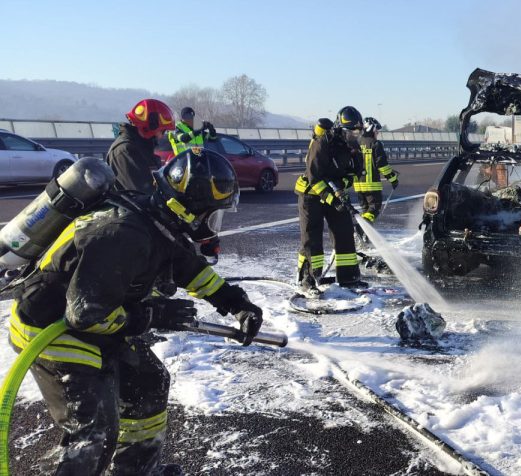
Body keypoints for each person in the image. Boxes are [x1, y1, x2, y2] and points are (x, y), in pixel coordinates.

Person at [8, 148, 263, 475]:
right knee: (93, 431)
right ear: (189, 209)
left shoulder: (156, 220)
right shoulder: (125, 234)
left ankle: (135, 468)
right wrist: (152, 316)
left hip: (99, 319)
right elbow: (83, 314)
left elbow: (188, 267)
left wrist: (235, 302)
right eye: (212, 213)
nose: (212, 223)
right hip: (53, 330)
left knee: (148, 381)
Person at [294, 106, 367, 294]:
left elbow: (353, 174)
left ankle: (349, 278)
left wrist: (340, 187)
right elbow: (314, 177)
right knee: (312, 238)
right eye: (351, 132)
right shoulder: (322, 143)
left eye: (357, 132)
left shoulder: (352, 148)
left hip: (335, 194)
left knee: (344, 231)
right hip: (311, 194)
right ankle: (308, 279)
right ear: (341, 129)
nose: (355, 136)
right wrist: (331, 198)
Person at [106, 99, 176, 195]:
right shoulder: (124, 151)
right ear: (150, 126)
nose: (161, 136)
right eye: (162, 131)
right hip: (131, 209)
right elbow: (142, 193)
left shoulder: (143, 147)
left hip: (151, 207)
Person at [353, 117, 398, 223]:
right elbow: (383, 166)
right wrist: (393, 179)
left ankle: (364, 236)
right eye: (376, 130)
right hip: (371, 185)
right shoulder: (376, 144)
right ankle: (361, 229)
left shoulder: (357, 143)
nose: (377, 133)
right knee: (374, 209)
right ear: (371, 129)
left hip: (358, 185)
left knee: (365, 210)